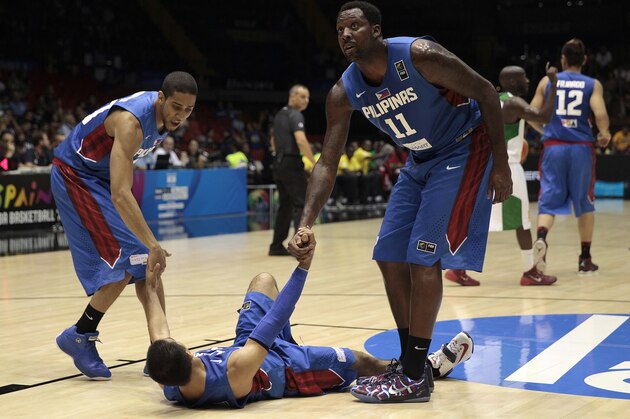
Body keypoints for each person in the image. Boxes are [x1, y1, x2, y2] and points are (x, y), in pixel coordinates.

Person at [289, 1, 511, 403]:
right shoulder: (343, 91)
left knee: (422, 257)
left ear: (376, 31)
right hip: (420, 158)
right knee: (389, 254)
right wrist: (306, 222)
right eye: (340, 29)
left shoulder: (419, 56)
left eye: (355, 26)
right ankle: (415, 362)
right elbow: (327, 161)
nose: (345, 35)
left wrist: (501, 165)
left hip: (463, 148)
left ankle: (412, 375)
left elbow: (484, 91)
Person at [144, 227, 474, 408]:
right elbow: (276, 318)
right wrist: (303, 267)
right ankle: (423, 369)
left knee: (262, 280)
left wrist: (150, 285)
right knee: (360, 360)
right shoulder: (234, 370)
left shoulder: (172, 383)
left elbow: (158, 330)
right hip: (289, 368)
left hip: (248, 345)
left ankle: (417, 367)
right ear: (187, 352)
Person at [52, 71, 198, 380]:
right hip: (76, 176)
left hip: (99, 180)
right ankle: (80, 335)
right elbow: (120, 192)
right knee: (127, 263)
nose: (180, 115)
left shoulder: (163, 119)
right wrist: (154, 243)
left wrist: (150, 248)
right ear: (160, 98)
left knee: (145, 262)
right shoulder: (132, 123)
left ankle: (162, 348)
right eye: (176, 106)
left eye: (188, 110)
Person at [445, 64, 560, 286]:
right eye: (525, 78)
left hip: (485, 164)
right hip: (508, 165)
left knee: (479, 217)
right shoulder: (513, 102)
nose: (528, 81)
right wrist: (553, 84)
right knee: (523, 222)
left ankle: (457, 266)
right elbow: (544, 116)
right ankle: (530, 272)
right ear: (514, 82)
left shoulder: (490, 99)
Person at [528, 38, 611, 275]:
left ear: (562, 60)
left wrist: (546, 132)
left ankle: (542, 238)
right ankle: (585, 258)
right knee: (584, 203)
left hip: (553, 148)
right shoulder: (592, 84)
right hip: (581, 149)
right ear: (584, 60)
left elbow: (532, 112)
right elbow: (600, 113)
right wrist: (604, 133)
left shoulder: (547, 81)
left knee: (548, 200)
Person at [268, 84, 316, 256]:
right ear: (293, 96)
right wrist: (314, 163)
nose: (306, 100)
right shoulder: (296, 115)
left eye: (308, 97)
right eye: (303, 96)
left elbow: (273, 139)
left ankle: (275, 247)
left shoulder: (279, 115)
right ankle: (300, 247)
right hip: (291, 163)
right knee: (301, 205)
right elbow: (301, 141)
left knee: (285, 206)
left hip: (278, 164)